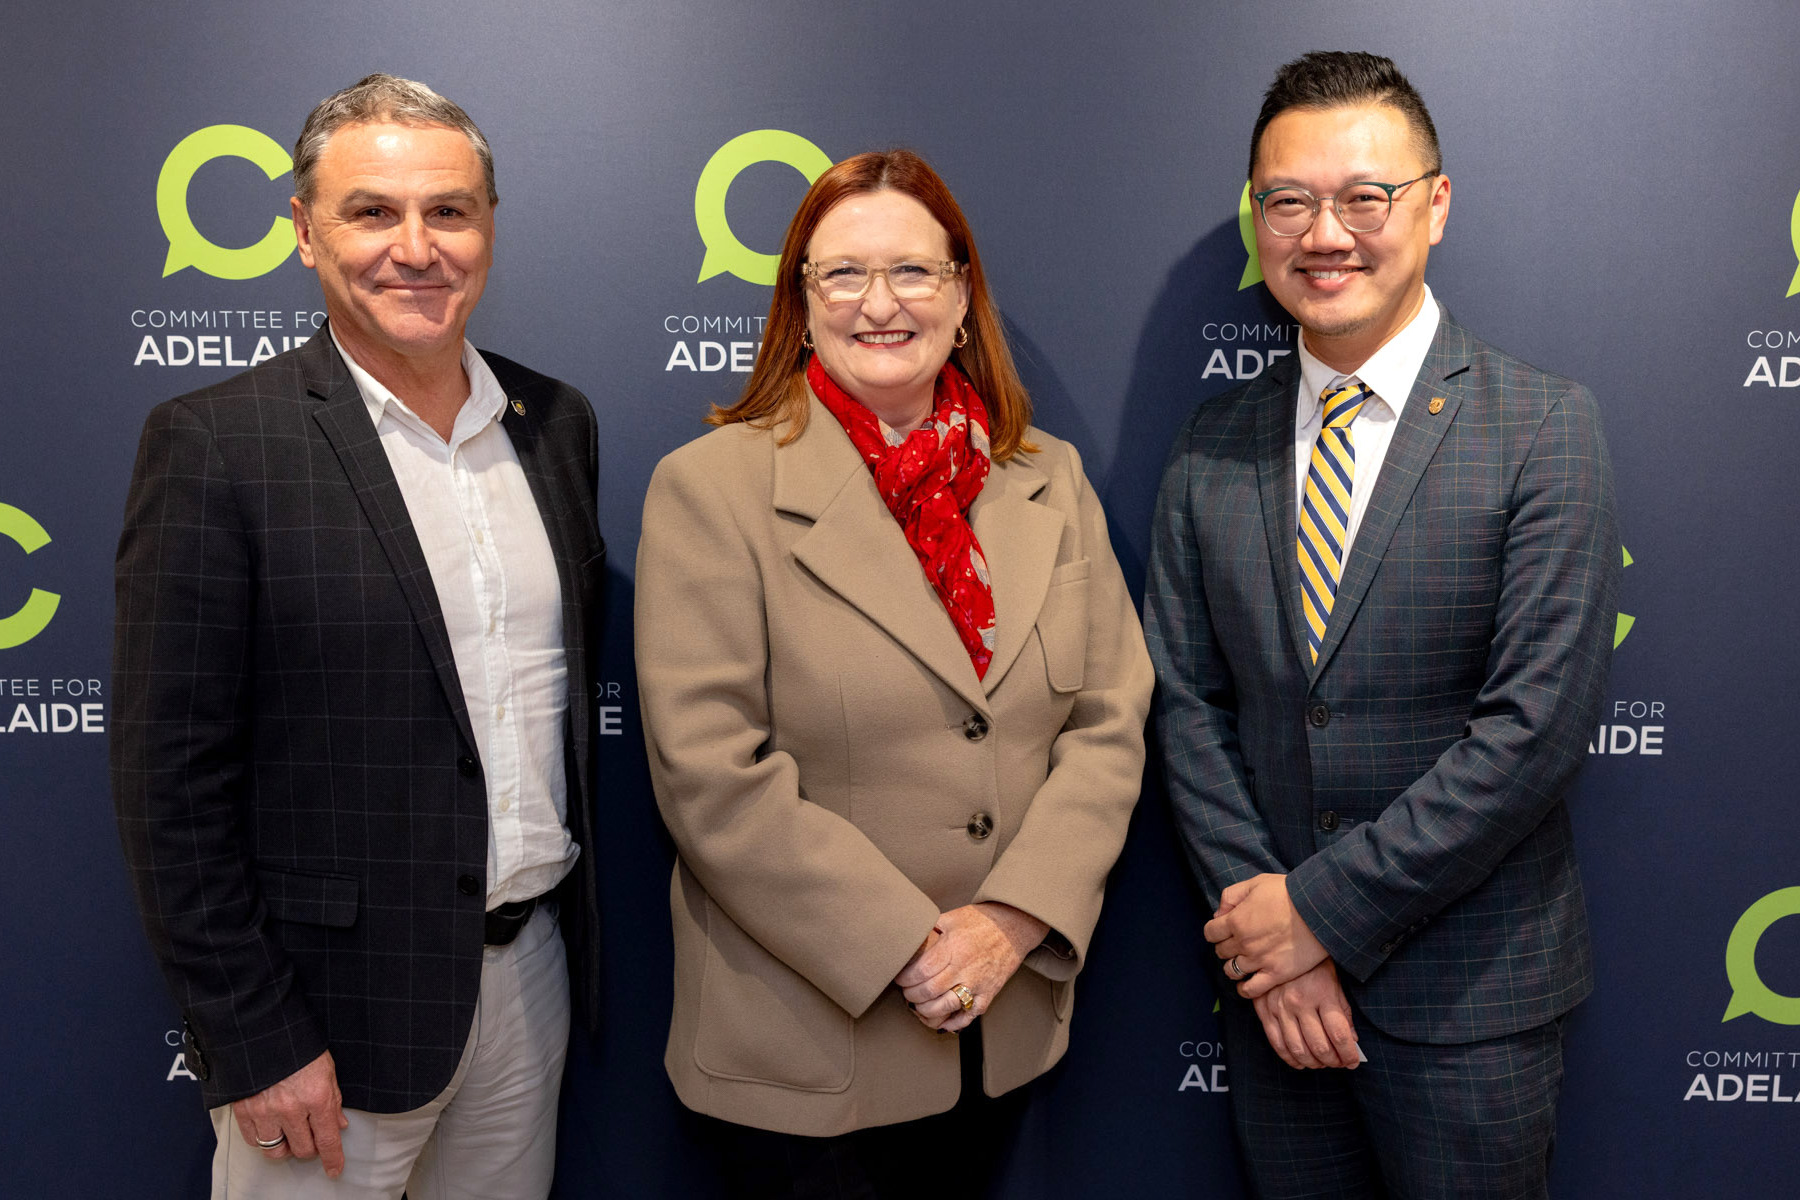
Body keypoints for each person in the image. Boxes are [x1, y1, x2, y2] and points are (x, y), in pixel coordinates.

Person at [112, 74, 604, 1199]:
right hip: (324, 1018)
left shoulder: (555, 422)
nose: (416, 248)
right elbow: (167, 778)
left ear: (489, 227)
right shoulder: (217, 444)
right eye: (373, 212)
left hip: (530, 981)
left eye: (449, 211)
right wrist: (252, 1035)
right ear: (304, 232)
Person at [1144, 51, 1620, 1199]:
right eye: (1288, 201)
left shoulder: (1542, 426)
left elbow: (1535, 733)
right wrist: (1272, 946)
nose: (1326, 234)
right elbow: (1187, 706)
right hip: (1275, 1003)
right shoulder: (1211, 444)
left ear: (1435, 205)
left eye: (1366, 196)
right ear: (1257, 215)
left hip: (1470, 1003)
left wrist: (1318, 913)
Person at [634, 149, 1152, 1196]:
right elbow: (712, 776)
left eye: (914, 271)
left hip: (1000, 1030)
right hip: (809, 1048)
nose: (881, 304)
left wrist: (1011, 923)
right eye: (844, 275)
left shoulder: (1049, 478)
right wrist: (913, 946)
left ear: (961, 300)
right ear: (801, 305)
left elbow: (1108, 722)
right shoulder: (712, 489)